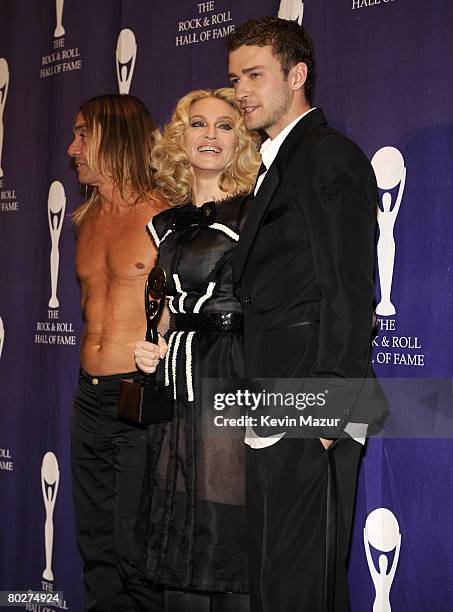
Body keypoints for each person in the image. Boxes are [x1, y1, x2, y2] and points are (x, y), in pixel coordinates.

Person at [226, 17, 388, 612]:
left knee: (301, 587)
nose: (240, 90)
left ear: (296, 76)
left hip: (309, 402)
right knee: (278, 583)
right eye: (234, 77)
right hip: (273, 398)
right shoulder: (280, 162)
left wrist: (331, 404)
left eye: (254, 75)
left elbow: (348, 289)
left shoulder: (327, 156)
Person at [134, 88, 260, 612]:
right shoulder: (167, 223)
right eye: (199, 124)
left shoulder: (257, 213)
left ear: (242, 140)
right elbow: (165, 309)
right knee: (177, 539)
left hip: (230, 379)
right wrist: (153, 345)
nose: (210, 135)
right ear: (179, 138)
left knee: (228, 535)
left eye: (225, 125)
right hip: (176, 386)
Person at [68, 94, 168, 612]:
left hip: (139, 397)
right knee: (97, 548)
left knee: (135, 550)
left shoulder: (164, 217)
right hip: (88, 397)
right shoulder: (83, 219)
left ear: (117, 137)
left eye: (84, 134)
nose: (72, 147)